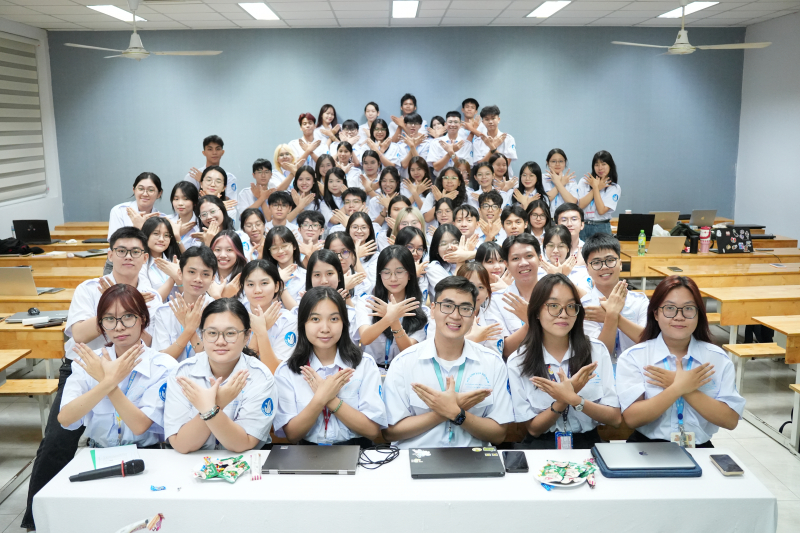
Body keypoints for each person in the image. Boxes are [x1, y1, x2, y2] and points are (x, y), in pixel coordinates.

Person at [21, 226, 162, 531]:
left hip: (132, 369)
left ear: (145, 257)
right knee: (57, 441)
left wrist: (131, 309)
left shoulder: (153, 296)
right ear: (110, 254)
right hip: (84, 369)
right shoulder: (89, 289)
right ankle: (36, 519)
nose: (128, 256)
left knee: (139, 435)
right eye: (121, 250)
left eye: (135, 251)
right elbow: (79, 335)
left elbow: (150, 344)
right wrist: (112, 310)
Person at [382, 276, 513, 448]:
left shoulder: (492, 363)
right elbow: (390, 432)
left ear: (474, 314)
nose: (455, 315)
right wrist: (446, 411)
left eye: (465, 308)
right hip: (415, 457)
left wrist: (458, 414)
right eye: (447, 306)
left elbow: (499, 434)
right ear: (433, 309)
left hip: (473, 456)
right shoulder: (404, 362)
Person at [617, 276, 744, 447]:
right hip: (647, 446)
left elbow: (730, 420)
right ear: (655, 314)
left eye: (688, 308)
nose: (679, 316)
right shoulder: (634, 357)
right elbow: (632, 419)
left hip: (699, 447)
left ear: (699, 314)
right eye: (670, 308)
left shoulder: (717, 358)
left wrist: (685, 388)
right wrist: (677, 388)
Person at [507, 274, 621, 449]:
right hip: (541, 445)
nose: (563, 314)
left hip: (588, 443)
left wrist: (575, 400)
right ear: (536, 312)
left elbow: (615, 418)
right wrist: (563, 400)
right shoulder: (518, 360)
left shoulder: (596, 350)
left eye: (570, 306)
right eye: (553, 306)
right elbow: (534, 429)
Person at [60, 285, 178, 448]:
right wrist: (107, 383)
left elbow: (139, 426)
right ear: (101, 324)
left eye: (128, 316)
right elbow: (65, 418)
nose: (119, 327)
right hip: (98, 451)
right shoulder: (89, 362)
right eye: (109, 319)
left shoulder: (163, 366)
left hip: (147, 452)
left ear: (143, 318)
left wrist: (106, 380)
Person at [274, 287, 386, 446]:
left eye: (334, 319)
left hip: (358, 450)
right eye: (315, 319)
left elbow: (372, 431)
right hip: (308, 452)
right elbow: (292, 435)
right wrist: (320, 399)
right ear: (302, 323)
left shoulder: (364, 364)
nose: (325, 329)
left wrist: (331, 400)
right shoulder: (287, 370)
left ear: (344, 323)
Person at [165, 298, 277, 453]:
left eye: (230, 333)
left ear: (247, 336)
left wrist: (211, 407)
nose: (220, 341)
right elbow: (182, 445)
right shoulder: (182, 374)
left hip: (245, 463)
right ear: (202, 334)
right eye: (212, 333)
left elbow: (242, 444)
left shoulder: (260, 377)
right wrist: (218, 403)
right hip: (191, 463)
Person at [356, 246, 430, 370]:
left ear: (410, 274)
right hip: (371, 371)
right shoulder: (367, 302)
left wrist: (394, 321)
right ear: (379, 275)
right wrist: (388, 318)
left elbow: (408, 351)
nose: (393, 278)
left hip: (404, 372)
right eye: (386, 272)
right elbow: (365, 339)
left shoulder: (421, 311)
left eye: (399, 272)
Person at [580, 234, 649, 362]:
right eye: (596, 262)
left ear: (620, 264)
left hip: (637, 369)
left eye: (610, 260)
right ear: (587, 269)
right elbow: (601, 354)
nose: (604, 267)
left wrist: (612, 316)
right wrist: (611, 317)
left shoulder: (640, 301)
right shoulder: (584, 306)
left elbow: (648, 342)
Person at [152, 246, 218, 362]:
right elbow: (159, 361)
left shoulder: (219, 312)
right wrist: (189, 330)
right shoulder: (164, 311)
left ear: (213, 278)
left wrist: (189, 328)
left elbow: (215, 361)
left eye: (205, 274)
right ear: (180, 273)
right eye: (192, 272)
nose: (198, 279)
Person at [427, 262, 507, 356]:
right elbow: (431, 351)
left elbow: (493, 360)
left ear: (488, 293)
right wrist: (473, 339)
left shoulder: (494, 323)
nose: (475, 292)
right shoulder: (441, 315)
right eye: (469, 287)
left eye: (481, 287)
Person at [239, 260, 299, 372]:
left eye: (264, 283)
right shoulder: (235, 315)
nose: (257, 290)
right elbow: (238, 367)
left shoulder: (288, 320)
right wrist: (261, 329)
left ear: (277, 286)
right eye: (250, 284)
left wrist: (261, 331)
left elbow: (275, 370)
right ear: (243, 287)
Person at [498, 234, 543, 358]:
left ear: (540, 259)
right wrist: (530, 323)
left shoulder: (555, 293)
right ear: (506, 264)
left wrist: (529, 320)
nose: (523, 263)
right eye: (515, 258)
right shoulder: (498, 300)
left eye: (529, 256)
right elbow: (505, 350)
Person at [304, 249, 362, 342]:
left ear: (339, 276)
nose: (324, 281)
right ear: (310, 278)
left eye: (329, 273)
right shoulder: (301, 308)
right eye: (317, 275)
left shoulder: (351, 311)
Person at [107, 172, 165, 240]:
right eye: (141, 189)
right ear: (134, 190)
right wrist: (137, 228)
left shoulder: (162, 218)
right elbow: (115, 241)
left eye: (151, 190)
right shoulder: (119, 211)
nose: (145, 194)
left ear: (159, 194)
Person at [577, 150, 621, 239]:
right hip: (582, 226)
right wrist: (595, 188)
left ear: (610, 166)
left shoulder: (614, 187)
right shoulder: (584, 181)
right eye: (596, 165)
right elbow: (579, 206)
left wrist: (596, 188)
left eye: (603, 164)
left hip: (601, 226)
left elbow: (601, 210)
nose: (600, 168)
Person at [140, 216, 182, 301]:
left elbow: (188, 295)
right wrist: (174, 276)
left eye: (166, 235)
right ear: (145, 235)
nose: (161, 239)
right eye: (156, 234)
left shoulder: (175, 262)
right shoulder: (139, 265)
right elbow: (150, 301)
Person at [540, 225, 592, 292]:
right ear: (545, 247)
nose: (555, 251)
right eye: (551, 245)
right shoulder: (538, 273)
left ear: (568, 248)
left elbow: (586, 297)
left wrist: (562, 276)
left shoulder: (581, 272)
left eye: (561, 246)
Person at [185, 135, 238, 200]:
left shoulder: (230, 178)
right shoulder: (192, 176)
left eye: (218, 149)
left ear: (222, 152)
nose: (214, 153)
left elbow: (228, 202)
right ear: (204, 153)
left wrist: (203, 180)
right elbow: (187, 200)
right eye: (210, 149)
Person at [264, 225, 306, 303]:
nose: (280, 251)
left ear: (294, 246)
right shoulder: (264, 274)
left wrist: (280, 284)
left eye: (284, 246)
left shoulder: (305, 276)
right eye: (274, 248)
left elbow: (298, 309)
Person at [471, 105, 517, 174]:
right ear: (482, 122)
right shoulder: (478, 141)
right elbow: (480, 166)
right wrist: (494, 147)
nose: (490, 122)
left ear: (498, 119)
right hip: (485, 178)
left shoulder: (508, 139)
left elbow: (506, 163)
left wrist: (492, 147)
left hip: (504, 178)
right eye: (487, 119)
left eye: (493, 118)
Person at [426, 111, 473, 176]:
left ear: (460, 125)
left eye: (456, 122)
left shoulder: (466, 144)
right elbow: (436, 167)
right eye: (450, 122)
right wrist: (450, 152)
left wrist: (451, 152)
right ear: (445, 124)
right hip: (440, 179)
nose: (453, 125)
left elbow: (463, 168)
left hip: (460, 179)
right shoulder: (436, 142)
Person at [426, 224, 462, 302]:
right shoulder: (433, 268)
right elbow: (451, 294)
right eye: (443, 244)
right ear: (436, 249)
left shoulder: (470, 265)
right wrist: (460, 260)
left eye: (455, 242)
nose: (450, 247)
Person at [394, 226, 430, 301]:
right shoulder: (389, 269)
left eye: (419, 249)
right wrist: (414, 275)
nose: (415, 253)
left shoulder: (425, 270)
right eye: (410, 247)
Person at [209, 231, 247, 298]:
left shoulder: (246, 279)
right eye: (218, 250)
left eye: (229, 250)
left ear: (238, 253)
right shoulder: (204, 277)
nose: (223, 255)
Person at [168, 181, 201, 250]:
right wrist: (176, 234)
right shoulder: (166, 221)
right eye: (176, 199)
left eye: (185, 199)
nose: (180, 203)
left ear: (194, 202)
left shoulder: (200, 225)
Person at [543, 149, 578, 213]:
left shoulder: (571, 181)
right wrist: (561, 183)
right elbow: (542, 201)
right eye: (553, 161)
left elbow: (572, 203)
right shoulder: (541, 179)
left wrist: (558, 183)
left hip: (565, 217)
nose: (557, 164)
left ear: (565, 163)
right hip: (545, 217)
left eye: (561, 161)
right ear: (547, 163)